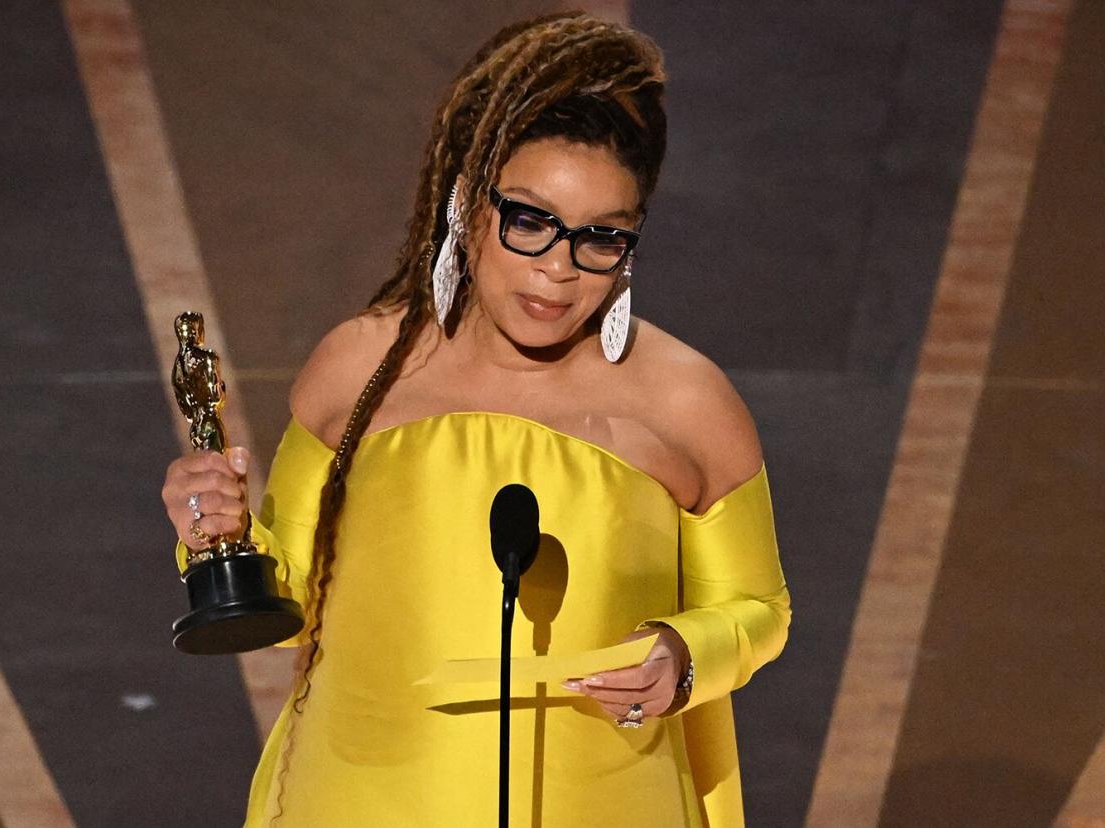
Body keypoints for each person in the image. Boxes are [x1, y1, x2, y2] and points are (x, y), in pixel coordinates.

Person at [161, 12, 790, 827]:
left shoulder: (685, 400)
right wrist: (216, 535)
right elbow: (290, 611)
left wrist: (683, 653)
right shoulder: (363, 365)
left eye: (601, 238)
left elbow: (758, 607)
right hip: (365, 798)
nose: (558, 270)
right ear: (467, 202)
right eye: (529, 220)